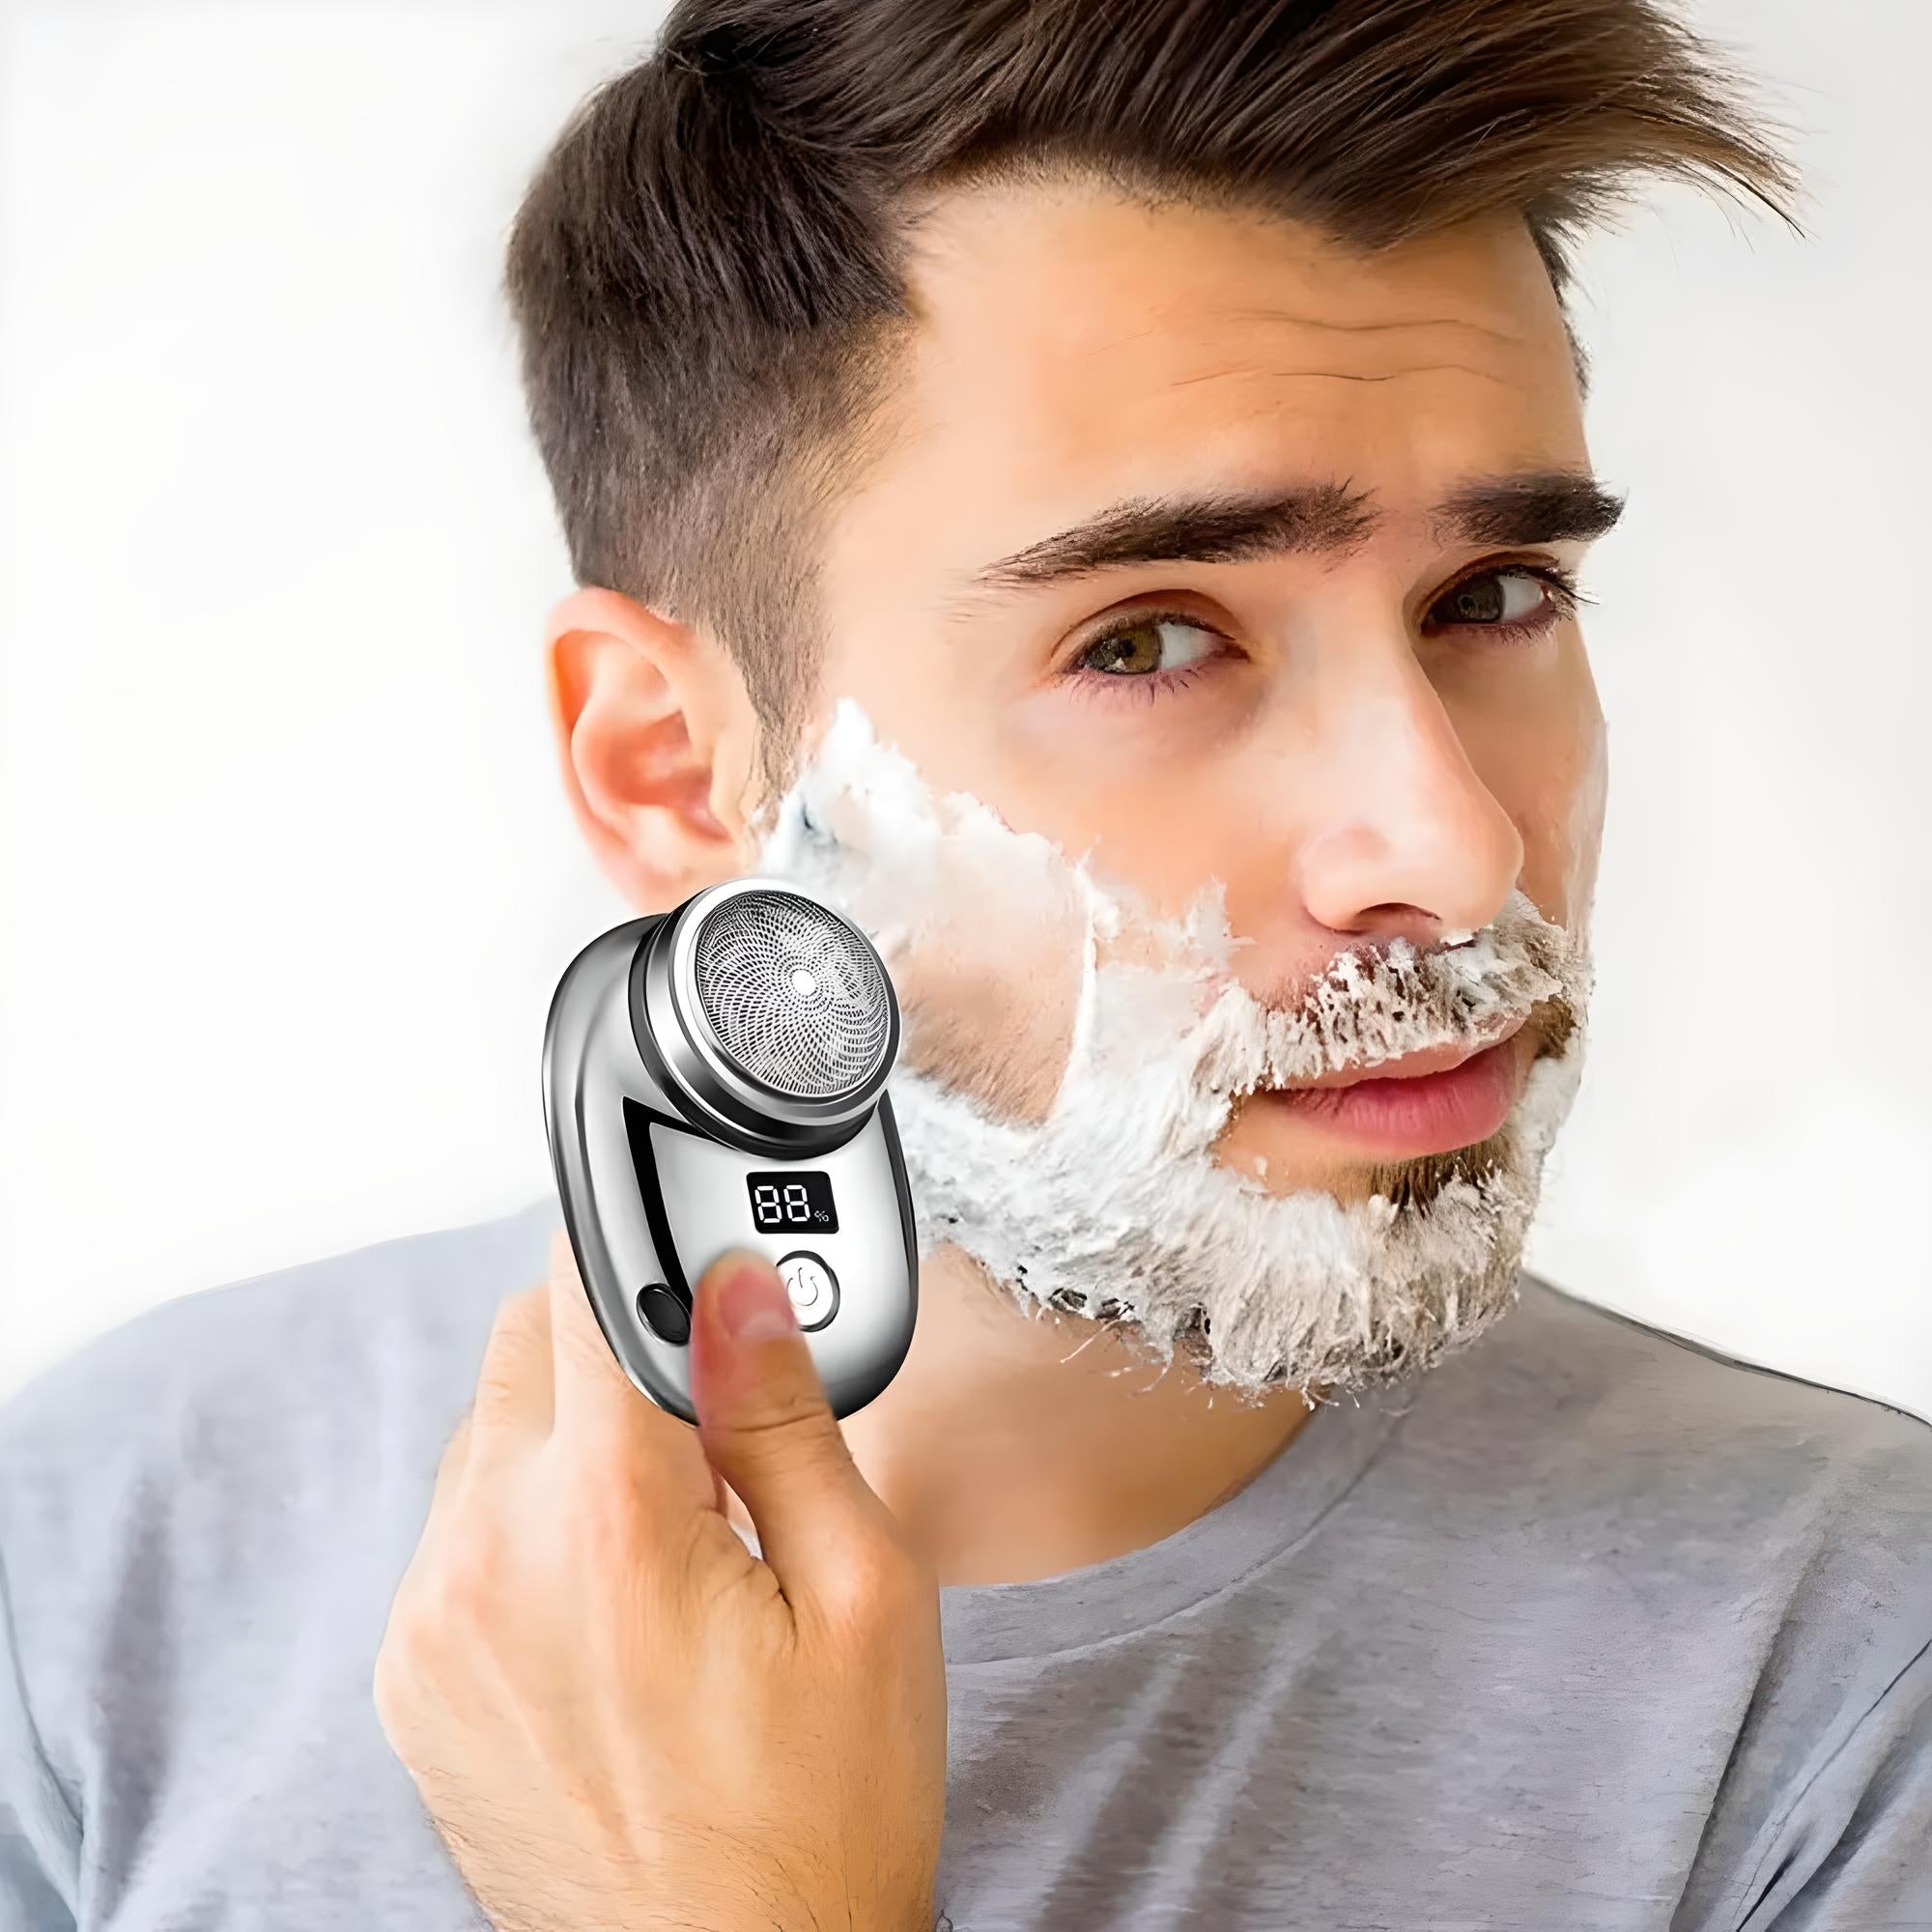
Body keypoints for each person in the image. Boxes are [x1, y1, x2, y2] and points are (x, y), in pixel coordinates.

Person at [4, 0, 1928, 1925]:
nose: (1449, 845)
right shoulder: (107, 1556)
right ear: (671, 765)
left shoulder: (1844, 1686)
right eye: (1151, 641)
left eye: (1493, 595)